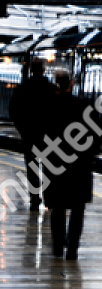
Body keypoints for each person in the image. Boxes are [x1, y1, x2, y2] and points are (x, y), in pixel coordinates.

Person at [41, 70, 100, 259]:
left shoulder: (48, 106)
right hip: (79, 164)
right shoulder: (84, 106)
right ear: (71, 83)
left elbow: (41, 134)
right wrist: (91, 153)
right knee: (77, 206)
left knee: (57, 206)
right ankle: (73, 248)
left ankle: (58, 247)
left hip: (55, 162)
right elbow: (96, 134)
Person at [9, 60, 55, 211]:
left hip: (29, 134)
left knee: (32, 167)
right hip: (49, 135)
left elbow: (13, 110)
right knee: (49, 167)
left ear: (31, 71)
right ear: (43, 70)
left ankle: (34, 198)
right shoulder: (51, 89)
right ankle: (49, 198)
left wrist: (22, 129)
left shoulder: (23, 88)